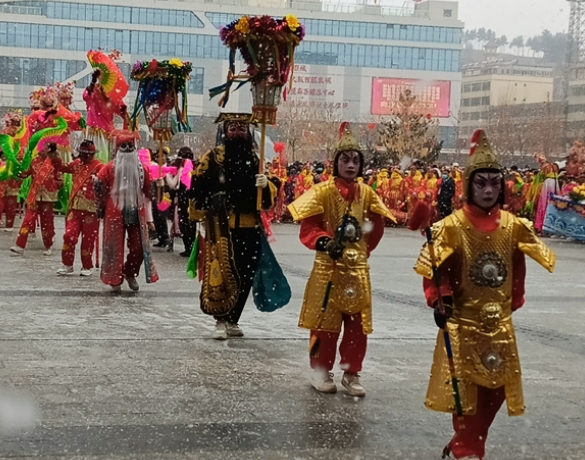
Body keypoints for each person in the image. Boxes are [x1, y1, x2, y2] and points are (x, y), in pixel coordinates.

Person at [415, 129, 555, 460]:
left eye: (495, 182)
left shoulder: (513, 225)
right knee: (467, 396)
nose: (489, 190)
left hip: (499, 328)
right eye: (481, 183)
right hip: (463, 325)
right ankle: (467, 449)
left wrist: (512, 301)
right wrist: (441, 298)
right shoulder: (450, 226)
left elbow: (521, 265)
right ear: (469, 185)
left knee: (494, 394)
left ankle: (466, 442)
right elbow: (438, 273)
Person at [288, 122, 395, 397]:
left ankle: (352, 372)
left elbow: (377, 227)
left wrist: (362, 252)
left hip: (356, 271)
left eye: (355, 160)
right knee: (322, 324)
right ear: (336, 163)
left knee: (357, 328)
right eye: (345, 160)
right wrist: (324, 241)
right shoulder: (322, 192)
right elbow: (308, 228)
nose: (350, 165)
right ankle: (320, 369)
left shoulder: (368, 194)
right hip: (327, 269)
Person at [189, 113, 279, 340]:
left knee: (245, 274)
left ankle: (233, 319)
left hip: (249, 226)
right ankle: (219, 318)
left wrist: (266, 185)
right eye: (233, 128)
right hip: (221, 226)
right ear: (225, 132)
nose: (238, 132)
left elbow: (269, 200)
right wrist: (205, 209)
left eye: (242, 128)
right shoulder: (212, 158)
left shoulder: (256, 160)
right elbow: (197, 187)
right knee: (220, 271)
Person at [95, 130, 158, 292]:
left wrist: (156, 189)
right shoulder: (109, 168)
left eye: (131, 145)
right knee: (113, 247)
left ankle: (129, 272)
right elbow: (99, 187)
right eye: (124, 146)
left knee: (138, 248)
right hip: (114, 212)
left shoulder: (142, 168)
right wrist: (100, 207)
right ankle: (114, 278)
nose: (128, 149)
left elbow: (149, 191)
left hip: (136, 213)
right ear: (118, 149)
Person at [55, 140, 104, 276]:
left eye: (86, 154)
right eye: (81, 153)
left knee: (88, 240)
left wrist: (98, 183)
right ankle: (67, 264)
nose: (83, 156)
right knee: (69, 236)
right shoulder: (76, 164)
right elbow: (61, 166)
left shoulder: (99, 167)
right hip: (75, 208)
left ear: (92, 154)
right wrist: (53, 154)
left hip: (91, 210)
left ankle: (87, 266)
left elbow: (107, 184)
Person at [11, 143, 62, 256]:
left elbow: (60, 181)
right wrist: (18, 172)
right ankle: (20, 245)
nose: (41, 149)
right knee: (28, 219)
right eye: (40, 147)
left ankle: (48, 245)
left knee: (47, 223)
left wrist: (51, 185)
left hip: (48, 197)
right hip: (34, 195)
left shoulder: (55, 161)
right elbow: (26, 173)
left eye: (44, 147)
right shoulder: (34, 161)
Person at [164, 147, 196, 257]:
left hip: (183, 200)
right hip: (192, 200)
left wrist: (166, 174)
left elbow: (173, 184)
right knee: (191, 224)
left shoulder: (182, 168)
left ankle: (188, 247)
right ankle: (192, 248)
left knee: (184, 224)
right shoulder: (196, 166)